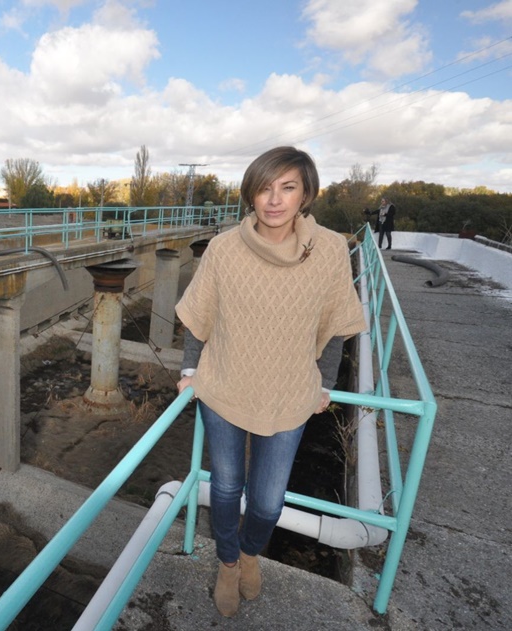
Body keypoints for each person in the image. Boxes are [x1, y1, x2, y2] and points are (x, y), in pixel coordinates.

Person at [175, 146, 367, 618]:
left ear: (306, 193)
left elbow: (339, 321)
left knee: (266, 499)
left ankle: (249, 555)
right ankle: (225, 564)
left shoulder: (329, 250)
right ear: (251, 194)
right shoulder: (223, 248)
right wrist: (188, 372)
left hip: (289, 391)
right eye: (264, 188)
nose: (274, 199)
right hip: (223, 387)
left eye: (287, 187)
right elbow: (201, 316)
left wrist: (322, 383)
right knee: (224, 487)